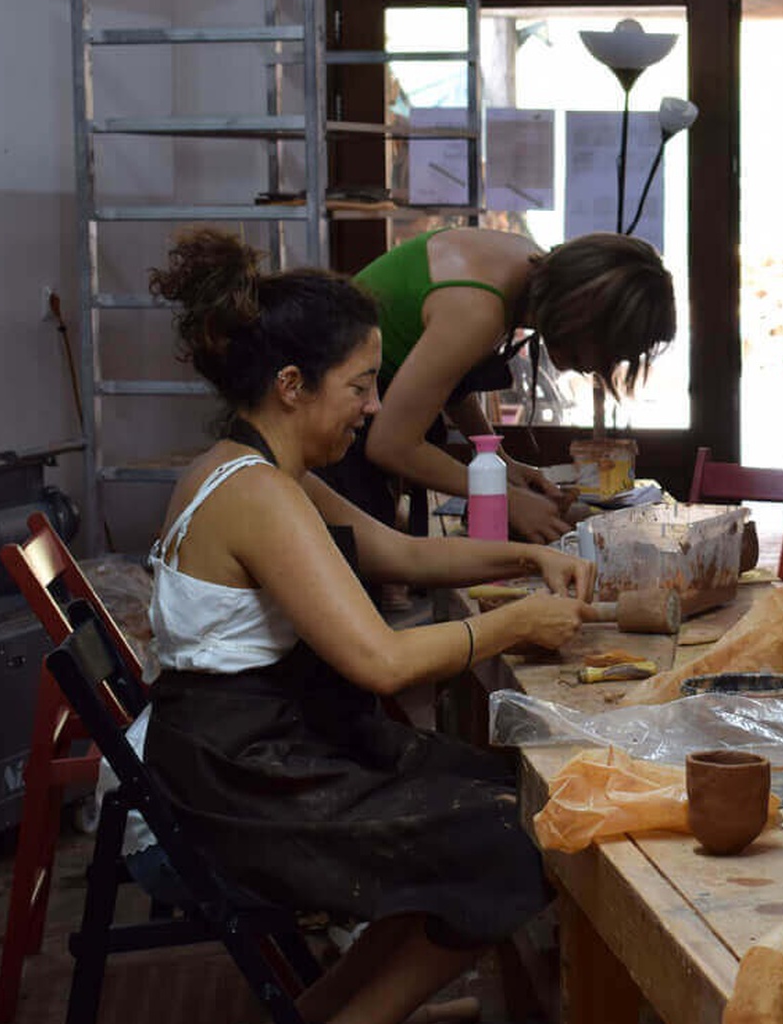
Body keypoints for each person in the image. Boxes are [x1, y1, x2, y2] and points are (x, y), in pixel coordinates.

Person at [139, 228, 595, 1024]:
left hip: (244, 745)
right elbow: (382, 663)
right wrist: (518, 623)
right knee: (509, 841)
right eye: (359, 386)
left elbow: (395, 552)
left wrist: (527, 557)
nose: (376, 407)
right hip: (241, 776)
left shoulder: (255, 468)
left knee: (509, 796)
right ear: (291, 384)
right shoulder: (258, 494)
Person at [319, 226, 676, 545]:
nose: (596, 368)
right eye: (607, 351)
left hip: (353, 399)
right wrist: (504, 498)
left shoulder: (523, 266)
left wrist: (499, 463)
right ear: (583, 316)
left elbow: (445, 378)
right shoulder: (478, 310)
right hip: (322, 415)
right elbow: (391, 445)